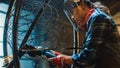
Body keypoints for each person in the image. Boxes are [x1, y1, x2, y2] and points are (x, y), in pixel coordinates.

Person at [48, 0, 120, 68]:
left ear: (82, 5)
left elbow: (88, 57)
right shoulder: (95, 19)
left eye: (72, 12)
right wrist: (61, 56)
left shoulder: (98, 18)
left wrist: (64, 59)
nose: (72, 18)